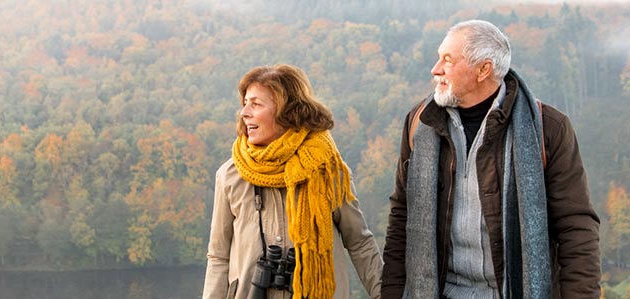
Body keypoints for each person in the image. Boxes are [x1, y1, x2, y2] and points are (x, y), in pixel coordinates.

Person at [380, 20, 600, 299]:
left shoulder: (548, 129)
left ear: (483, 69)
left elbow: (576, 228)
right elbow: (402, 218)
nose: (435, 70)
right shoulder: (420, 123)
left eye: (448, 60)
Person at [204, 64, 382, 299]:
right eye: (245, 103)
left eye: (256, 104)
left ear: (287, 110)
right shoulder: (230, 175)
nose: (244, 112)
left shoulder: (326, 169)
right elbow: (219, 257)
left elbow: (359, 243)